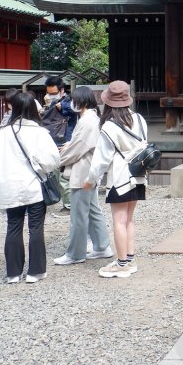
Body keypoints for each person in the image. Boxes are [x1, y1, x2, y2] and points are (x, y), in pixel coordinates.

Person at [0, 92, 60, 284]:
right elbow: (53, 160)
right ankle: (35, 271)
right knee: (35, 228)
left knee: (13, 227)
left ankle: (13, 272)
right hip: (33, 187)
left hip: (9, 187)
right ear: (33, 109)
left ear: (13, 108)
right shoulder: (39, 133)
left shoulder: (3, 134)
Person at [83, 81, 147, 279]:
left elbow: (101, 160)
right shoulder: (139, 119)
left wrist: (90, 180)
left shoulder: (109, 127)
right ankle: (129, 259)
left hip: (120, 177)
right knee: (128, 219)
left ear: (108, 102)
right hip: (138, 175)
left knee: (118, 220)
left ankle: (121, 265)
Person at [54, 86, 113, 266]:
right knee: (92, 210)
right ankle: (102, 246)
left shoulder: (88, 121)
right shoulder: (90, 118)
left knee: (78, 214)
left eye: (74, 100)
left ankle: (75, 254)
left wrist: (58, 159)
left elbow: (79, 146)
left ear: (82, 101)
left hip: (82, 172)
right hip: (88, 170)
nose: (71, 103)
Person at [43, 76, 77, 213]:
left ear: (62, 90)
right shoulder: (52, 102)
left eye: (53, 93)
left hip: (66, 142)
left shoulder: (69, 101)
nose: (50, 96)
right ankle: (66, 202)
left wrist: (60, 105)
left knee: (64, 175)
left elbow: (74, 109)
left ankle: (69, 206)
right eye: (48, 93)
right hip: (54, 142)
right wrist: (48, 105)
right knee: (55, 174)